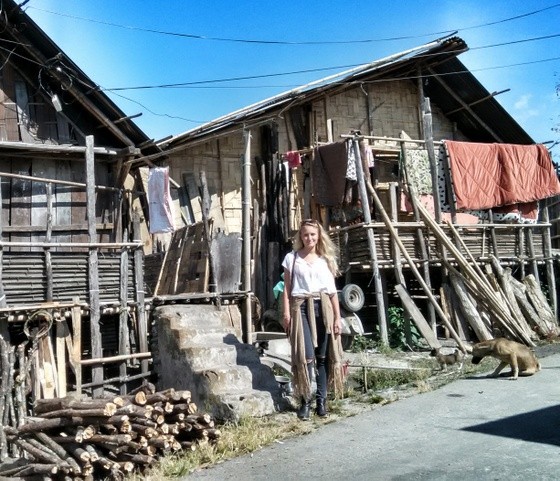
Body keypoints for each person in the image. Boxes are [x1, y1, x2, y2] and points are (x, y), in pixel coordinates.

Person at [281, 218, 344, 420]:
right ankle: (305, 401)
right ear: (300, 236)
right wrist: (286, 313)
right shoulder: (291, 259)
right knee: (306, 357)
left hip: (323, 307)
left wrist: (337, 318)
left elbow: (332, 292)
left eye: (313, 234)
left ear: (318, 236)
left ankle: (322, 401)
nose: (309, 238)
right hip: (301, 309)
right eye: (305, 234)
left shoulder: (325, 260)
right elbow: (287, 289)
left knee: (323, 358)